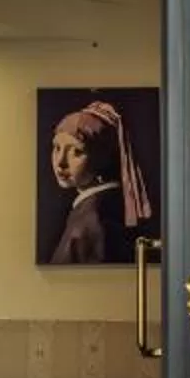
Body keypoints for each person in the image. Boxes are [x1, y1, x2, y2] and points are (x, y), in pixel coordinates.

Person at [46, 100, 152, 265]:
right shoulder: (102, 205)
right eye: (57, 148)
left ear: (101, 158)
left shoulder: (92, 218)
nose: (60, 162)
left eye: (77, 151)